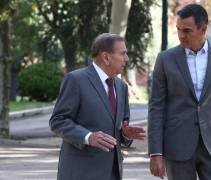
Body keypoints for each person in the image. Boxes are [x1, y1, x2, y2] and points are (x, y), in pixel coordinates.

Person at [148, 3, 211, 180]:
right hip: (177, 146)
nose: (180, 35)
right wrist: (155, 153)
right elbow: (156, 107)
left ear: (203, 29)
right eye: (178, 29)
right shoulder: (165, 59)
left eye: (186, 31)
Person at [50, 33, 146, 180]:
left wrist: (126, 134)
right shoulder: (76, 80)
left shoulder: (121, 87)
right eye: (123, 53)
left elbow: (117, 131)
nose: (126, 59)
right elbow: (58, 121)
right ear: (106, 57)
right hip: (81, 172)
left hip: (113, 173)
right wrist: (88, 137)